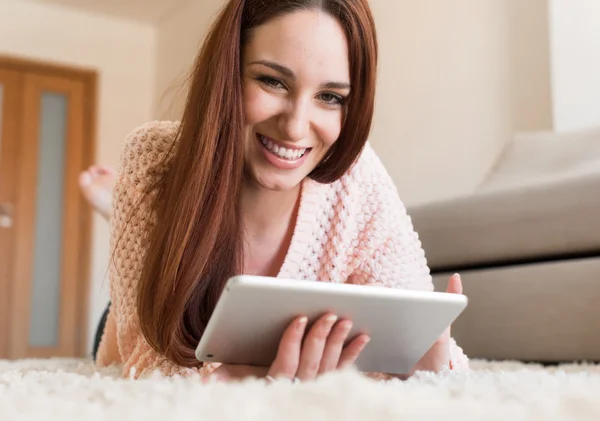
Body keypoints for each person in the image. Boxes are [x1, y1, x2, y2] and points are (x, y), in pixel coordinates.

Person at [95, 0, 469, 382]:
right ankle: (122, 206)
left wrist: (431, 367)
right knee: (111, 336)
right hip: (152, 320)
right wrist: (258, 380)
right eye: (272, 81)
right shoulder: (155, 161)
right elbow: (143, 361)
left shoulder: (360, 178)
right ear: (228, 72)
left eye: (330, 97)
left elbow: (438, 360)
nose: (294, 127)